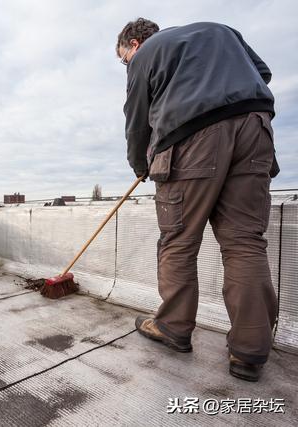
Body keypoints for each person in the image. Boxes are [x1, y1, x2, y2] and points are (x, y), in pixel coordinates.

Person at [117, 18, 279, 382]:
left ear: (134, 43)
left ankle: (173, 327)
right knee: (244, 242)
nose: (126, 65)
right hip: (255, 128)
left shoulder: (145, 56)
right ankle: (250, 351)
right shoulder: (221, 30)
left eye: (123, 58)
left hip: (189, 138)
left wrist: (139, 165)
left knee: (178, 240)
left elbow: (136, 120)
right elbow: (263, 73)